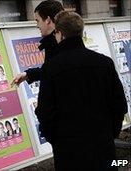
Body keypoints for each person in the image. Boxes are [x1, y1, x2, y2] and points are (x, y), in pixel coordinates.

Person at [35, 11, 127, 171]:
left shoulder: (51, 68)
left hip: (69, 153)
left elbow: (45, 112)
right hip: (103, 148)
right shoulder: (104, 63)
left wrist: (56, 140)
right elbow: (119, 104)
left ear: (60, 34)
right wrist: (110, 133)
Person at [11, 0, 64, 87]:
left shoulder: (58, 42)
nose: (37, 25)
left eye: (38, 21)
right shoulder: (56, 39)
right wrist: (28, 74)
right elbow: (52, 70)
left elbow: (55, 74)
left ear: (47, 20)